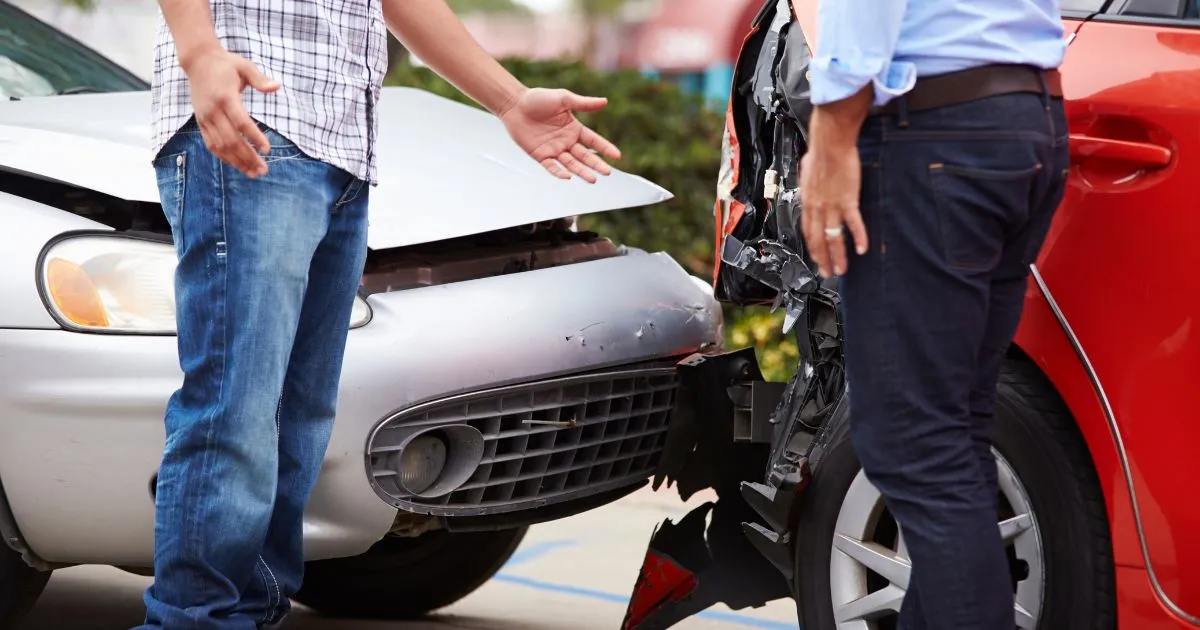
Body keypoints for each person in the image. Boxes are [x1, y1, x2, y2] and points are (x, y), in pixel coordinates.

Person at [140, 1, 621, 628]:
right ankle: (193, 620)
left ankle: (250, 615)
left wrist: (508, 101)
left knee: (299, 417)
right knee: (236, 407)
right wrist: (200, 52)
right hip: (251, 119)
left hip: (340, 149)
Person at [798, 0, 1067, 628]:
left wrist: (832, 130)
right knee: (953, 435)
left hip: (935, 130)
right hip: (1025, 119)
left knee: (916, 445)